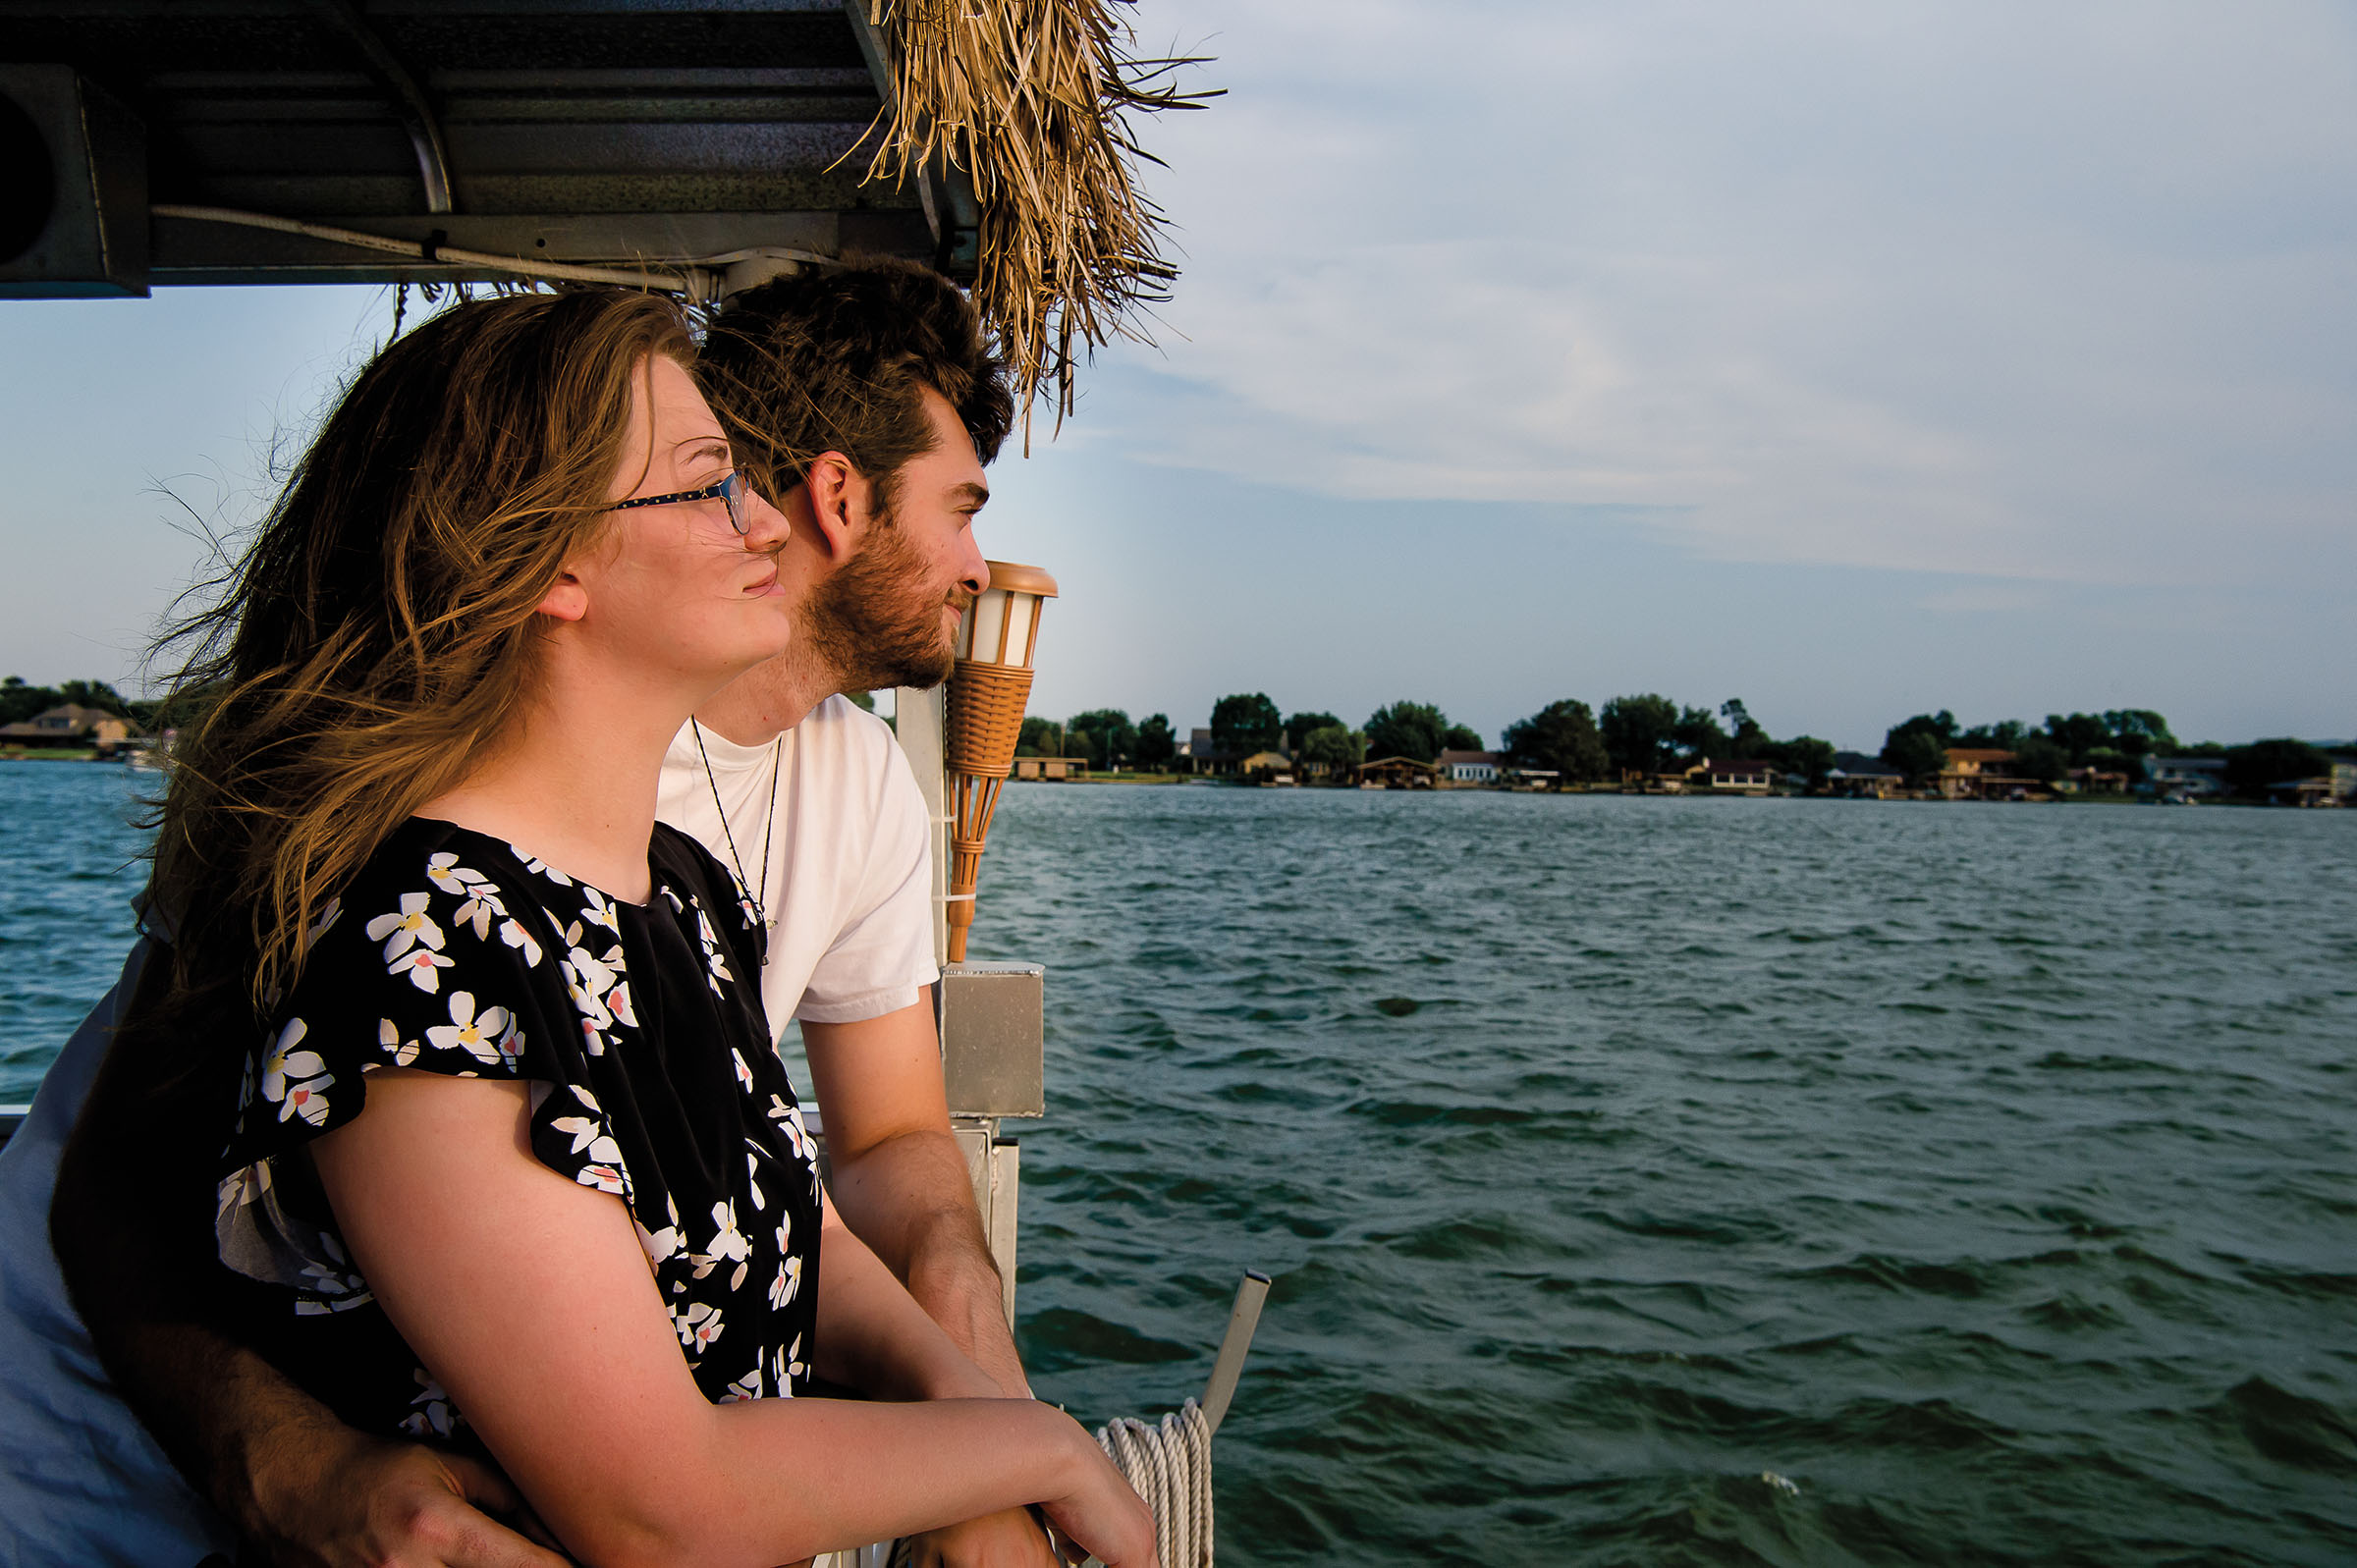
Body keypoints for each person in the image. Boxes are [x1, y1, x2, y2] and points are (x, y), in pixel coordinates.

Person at [8, 275, 1126, 1567]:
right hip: (104, 1476)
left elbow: (816, 1194)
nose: (759, 516)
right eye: (711, 479)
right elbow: (116, 1179)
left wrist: (968, 1418)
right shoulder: (408, 918)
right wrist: (1040, 1446)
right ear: (549, 565)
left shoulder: (694, 882)